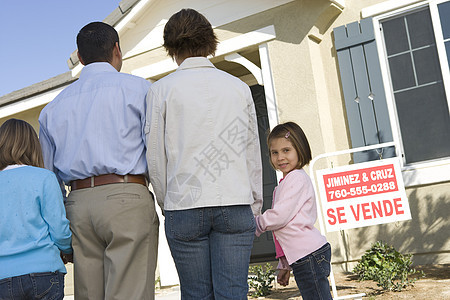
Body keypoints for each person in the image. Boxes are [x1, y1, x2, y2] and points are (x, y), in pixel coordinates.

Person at [146, 8, 263, 299]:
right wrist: (255, 202)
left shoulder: (160, 91)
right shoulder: (238, 88)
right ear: (210, 41)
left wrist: (166, 201)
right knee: (233, 292)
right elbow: (251, 151)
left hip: (183, 204)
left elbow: (155, 159)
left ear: (170, 47)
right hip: (236, 201)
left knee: (195, 294)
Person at [38, 22, 159, 300]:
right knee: (130, 294)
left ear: (80, 58)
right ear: (117, 49)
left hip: (77, 204)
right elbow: (155, 152)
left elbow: (49, 176)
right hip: (126, 196)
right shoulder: (141, 90)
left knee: (88, 294)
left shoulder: (52, 108)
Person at [255, 122, 332, 300]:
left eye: (286, 150)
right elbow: (285, 230)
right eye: (275, 152)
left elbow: (279, 218)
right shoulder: (287, 181)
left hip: (309, 254)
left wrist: (257, 223)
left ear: (300, 150)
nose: (280, 157)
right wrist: (284, 264)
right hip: (305, 254)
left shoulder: (296, 178)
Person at [0, 119, 72, 300]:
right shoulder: (44, 178)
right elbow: (59, 228)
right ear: (33, 145)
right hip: (44, 272)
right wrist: (68, 249)